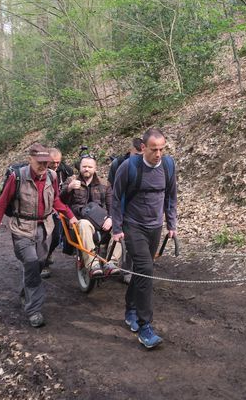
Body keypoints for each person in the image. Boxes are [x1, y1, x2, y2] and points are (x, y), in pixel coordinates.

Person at [0, 143, 77, 328]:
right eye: (39, 163)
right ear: (30, 160)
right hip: (22, 229)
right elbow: (2, 204)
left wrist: (70, 215)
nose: (43, 167)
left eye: (46, 163)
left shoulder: (52, 176)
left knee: (38, 264)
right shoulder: (16, 177)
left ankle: (26, 294)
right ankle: (34, 310)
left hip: (45, 228)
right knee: (32, 263)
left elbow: (56, 199)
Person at [112, 127, 177, 349]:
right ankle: (145, 326)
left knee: (142, 271)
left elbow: (171, 196)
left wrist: (172, 223)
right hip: (133, 226)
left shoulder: (168, 166)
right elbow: (116, 197)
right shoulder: (128, 167)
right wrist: (117, 228)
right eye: (153, 149)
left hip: (155, 226)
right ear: (143, 147)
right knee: (146, 270)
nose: (158, 154)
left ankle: (130, 308)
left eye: (161, 149)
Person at [60, 154, 120, 276]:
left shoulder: (104, 184)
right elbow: (60, 201)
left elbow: (113, 205)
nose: (87, 169)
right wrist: (69, 189)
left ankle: (112, 262)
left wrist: (111, 218)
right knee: (84, 223)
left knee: (120, 226)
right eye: (84, 166)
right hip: (78, 224)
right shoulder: (71, 181)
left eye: (90, 167)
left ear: (95, 168)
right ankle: (93, 265)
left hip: (101, 221)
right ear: (79, 167)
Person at [107, 137, 144, 285]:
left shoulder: (146, 164)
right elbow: (110, 187)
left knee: (134, 240)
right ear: (131, 151)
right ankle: (119, 266)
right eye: (137, 154)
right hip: (120, 203)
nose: (139, 158)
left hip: (136, 208)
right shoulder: (119, 164)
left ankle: (131, 269)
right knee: (122, 235)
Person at [41, 147, 75, 278]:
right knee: (43, 237)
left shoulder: (66, 170)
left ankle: (48, 254)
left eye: (58, 162)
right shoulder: (41, 171)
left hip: (60, 207)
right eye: (52, 162)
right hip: (43, 209)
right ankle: (42, 263)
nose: (55, 165)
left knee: (56, 236)